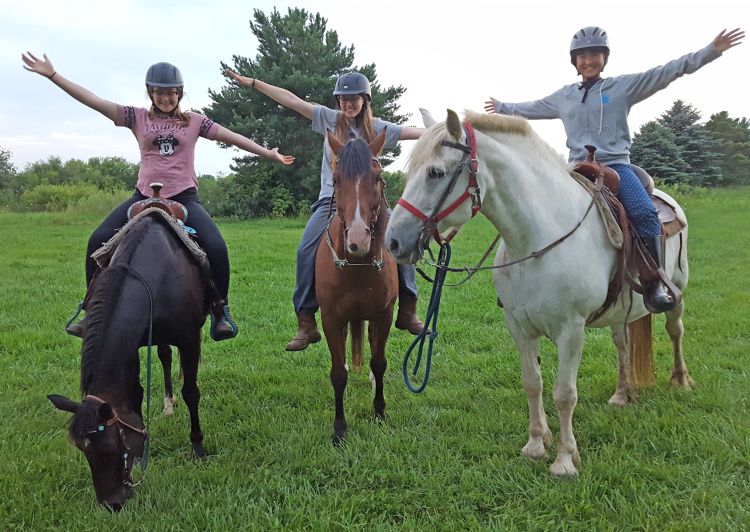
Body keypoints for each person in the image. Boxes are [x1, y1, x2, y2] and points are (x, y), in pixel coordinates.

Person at [22, 52, 295, 341]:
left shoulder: (195, 122)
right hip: (142, 196)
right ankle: (91, 309)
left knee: (216, 246)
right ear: (151, 93)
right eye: (160, 92)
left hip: (184, 198)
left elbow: (233, 137)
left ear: (180, 93)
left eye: (172, 93)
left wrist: (268, 153)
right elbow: (93, 101)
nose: (166, 98)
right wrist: (54, 75)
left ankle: (219, 311)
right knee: (95, 241)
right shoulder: (135, 117)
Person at [485, 27, 745, 313]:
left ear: (604, 58)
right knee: (535, 209)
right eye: (582, 56)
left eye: (595, 54)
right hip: (574, 168)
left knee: (645, 213)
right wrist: (503, 106)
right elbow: (532, 107)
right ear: (574, 61)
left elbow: (667, 72)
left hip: (615, 166)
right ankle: (520, 282)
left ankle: (653, 283)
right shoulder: (564, 96)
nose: (589, 61)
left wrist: (711, 50)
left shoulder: (623, 87)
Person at [226, 70, 426, 350]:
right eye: (343, 99)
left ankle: (408, 307)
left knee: (399, 238)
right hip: (331, 201)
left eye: (354, 98)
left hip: (371, 203)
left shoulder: (378, 128)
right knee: (306, 248)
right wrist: (255, 83)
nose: (348, 104)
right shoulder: (328, 119)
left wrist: (446, 131)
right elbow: (292, 101)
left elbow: (412, 132)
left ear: (365, 100)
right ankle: (306, 319)